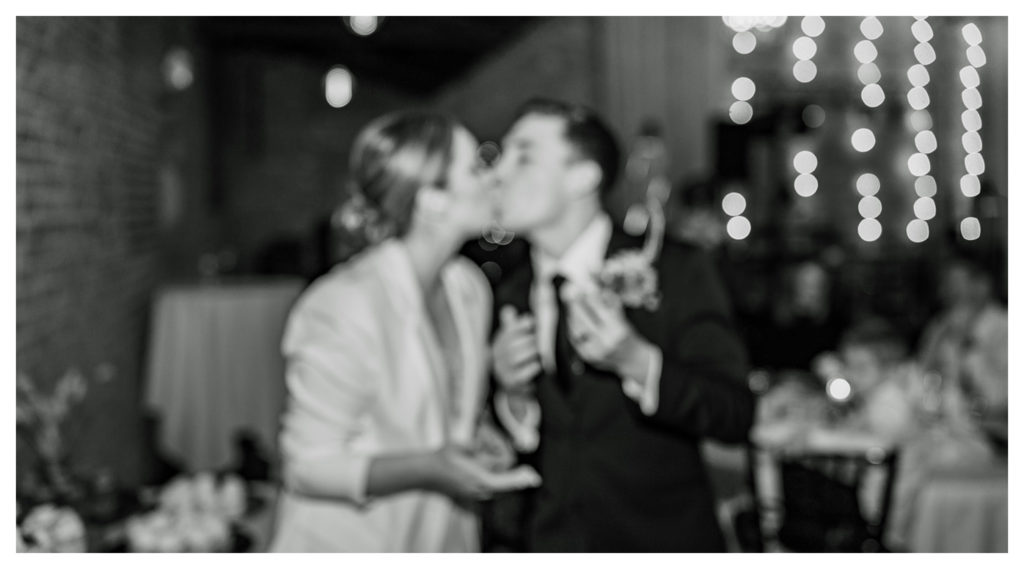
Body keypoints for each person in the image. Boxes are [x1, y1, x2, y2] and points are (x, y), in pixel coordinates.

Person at [488, 98, 755, 552]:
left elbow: (734, 413)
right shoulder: (509, 293)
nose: (498, 173)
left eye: (524, 156)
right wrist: (511, 395)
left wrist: (637, 360)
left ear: (584, 176)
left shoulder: (675, 269)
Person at [269, 111, 540, 553]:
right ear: (432, 200)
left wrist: (478, 438)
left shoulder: (467, 287)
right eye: (476, 168)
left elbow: (445, 418)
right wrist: (429, 468)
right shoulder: (344, 304)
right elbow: (306, 466)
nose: (494, 179)